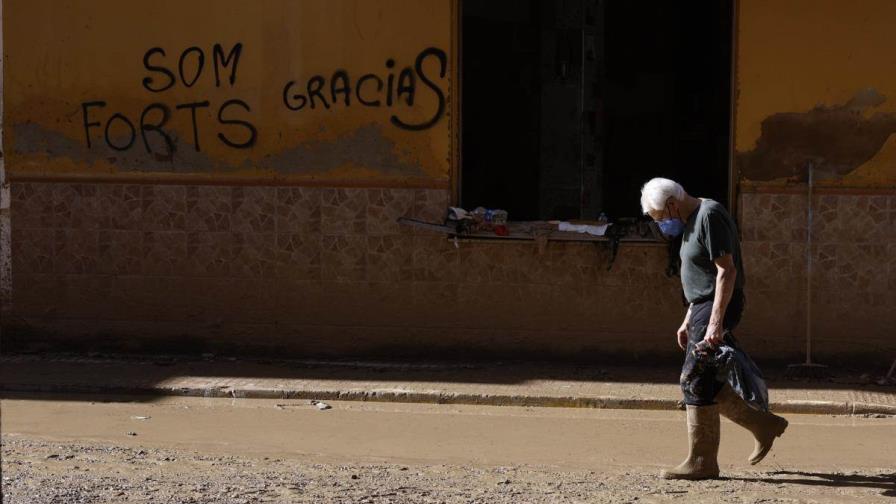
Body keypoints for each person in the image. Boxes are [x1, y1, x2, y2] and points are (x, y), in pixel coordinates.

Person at [640, 177, 788, 480]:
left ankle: (702, 461)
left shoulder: (709, 215)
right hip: (702, 307)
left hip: (716, 307)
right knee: (703, 380)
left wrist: (715, 324)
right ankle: (763, 425)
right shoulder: (692, 220)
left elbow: (726, 271)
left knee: (692, 377)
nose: (662, 225)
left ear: (671, 204)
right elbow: (700, 275)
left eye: (660, 218)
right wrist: (688, 318)